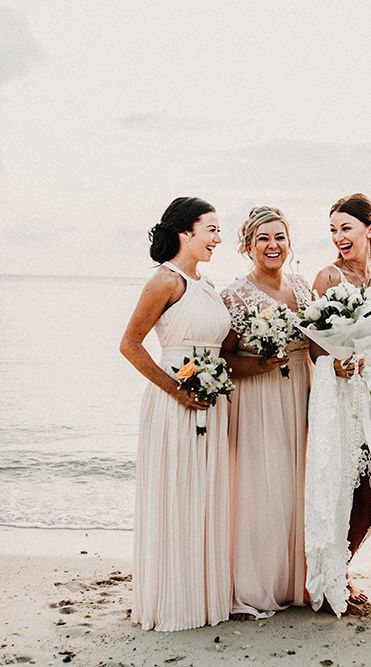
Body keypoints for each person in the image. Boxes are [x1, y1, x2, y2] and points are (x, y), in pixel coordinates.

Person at [120, 197, 231, 631]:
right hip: (175, 402)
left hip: (211, 401)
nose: (218, 238)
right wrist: (177, 391)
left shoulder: (206, 283)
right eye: (211, 229)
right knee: (177, 492)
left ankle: (203, 595)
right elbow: (130, 344)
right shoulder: (165, 282)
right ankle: (173, 600)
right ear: (186, 232)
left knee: (204, 495)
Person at [220, 206, 311, 619]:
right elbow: (223, 359)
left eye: (279, 238)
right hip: (256, 399)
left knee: (297, 488)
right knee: (260, 490)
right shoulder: (234, 296)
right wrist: (259, 364)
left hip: (301, 393)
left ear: (290, 243)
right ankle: (254, 586)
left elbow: (318, 343)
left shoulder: (303, 288)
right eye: (263, 239)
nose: (273, 246)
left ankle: (296, 584)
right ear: (247, 247)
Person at [306, 193, 371, 616]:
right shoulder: (327, 278)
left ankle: (343, 566)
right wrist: (335, 366)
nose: (339, 237)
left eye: (347, 228)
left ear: (370, 227)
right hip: (343, 392)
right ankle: (331, 578)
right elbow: (313, 345)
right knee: (345, 485)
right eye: (334, 230)